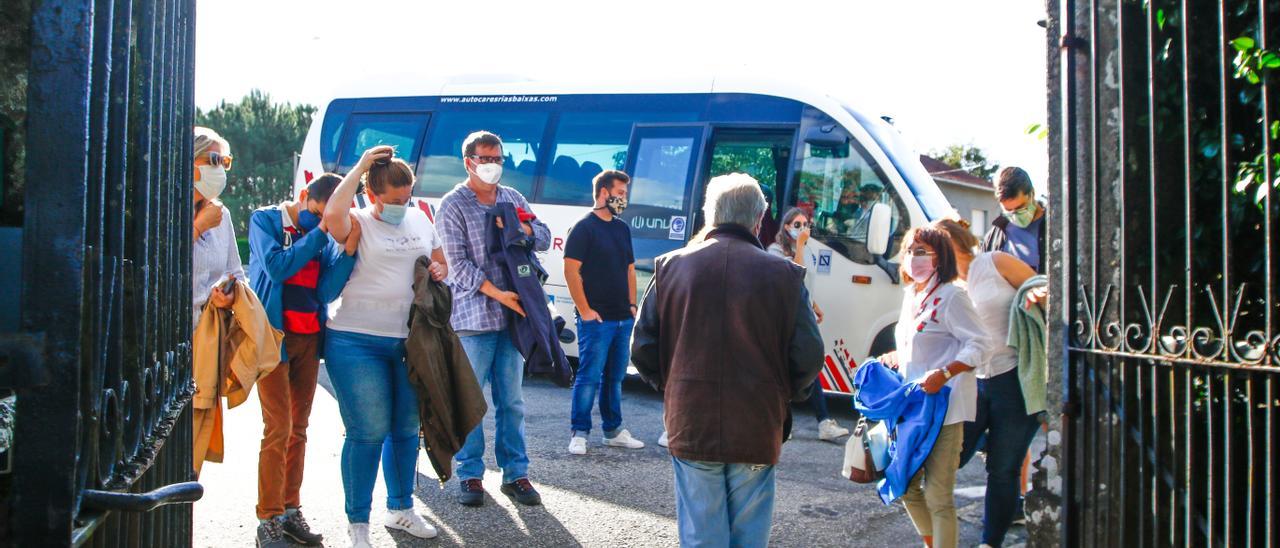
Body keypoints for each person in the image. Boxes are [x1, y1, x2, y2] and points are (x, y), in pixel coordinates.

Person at [632, 173, 824, 548]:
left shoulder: (670, 266)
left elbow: (642, 347)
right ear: (758, 220)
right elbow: (809, 354)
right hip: (757, 420)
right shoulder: (785, 274)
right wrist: (786, 394)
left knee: (702, 534)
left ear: (710, 215)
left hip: (691, 417)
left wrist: (673, 386)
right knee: (749, 536)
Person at [323, 145, 448, 546]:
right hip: (356, 339)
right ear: (372, 194)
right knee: (368, 431)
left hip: (410, 340)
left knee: (405, 429)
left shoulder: (420, 216)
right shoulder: (356, 219)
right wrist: (359, 166)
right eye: (394, 199)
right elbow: (330, 215)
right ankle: (358, 523)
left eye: (407, 196)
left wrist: (440, 268)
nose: (403, 204)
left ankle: (401, 510)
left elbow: (439, 258)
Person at [437, 131, 551, 508]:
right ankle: (470, 475)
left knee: (512, 401)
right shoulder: (453, 205)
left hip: (513, 320)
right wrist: (499, 293)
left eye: (498, 158)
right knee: (472, 400)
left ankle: (515, 473)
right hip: (474, 317)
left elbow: (545, 237)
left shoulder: (512, 197)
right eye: (485, 158)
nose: (493, 165)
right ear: (468, 161)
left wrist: (522, 229)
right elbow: (456, 265)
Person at [246, 173, 357, 547]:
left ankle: (291, 511)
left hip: (309, 338)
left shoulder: (321, 236)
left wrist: (349, 253)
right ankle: (269, 518)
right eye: (319, 213)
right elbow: (277, 267)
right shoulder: (266, 220)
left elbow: (324, 289)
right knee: (277, 428)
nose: (323, 221)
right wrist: (321, 233)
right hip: (274, 340)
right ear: (306, 196)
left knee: (298, 430)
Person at [933, 219, 1045, 548]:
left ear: (955, 242)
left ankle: (990, 541)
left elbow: (1041, 284)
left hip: (1014, 380)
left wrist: (1040, 293)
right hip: (974, 384)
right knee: (951, 455)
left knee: (1004, 469)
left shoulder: (994, 262)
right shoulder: (948, 286)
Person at [878, 225, 990, 548]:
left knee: (939, 496)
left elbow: (982, 345)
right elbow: (916, 344)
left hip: (946, 411)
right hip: (912, 409)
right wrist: (895, 357)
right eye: (910, 251)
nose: (914, 258)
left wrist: (945, 372)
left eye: (922, 252)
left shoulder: (953, 296)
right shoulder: (911, 295)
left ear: (939, 257)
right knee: (905, 485)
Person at [564, 170, 645, 455]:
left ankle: (613, 431)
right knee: (589, 375)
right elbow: (571, 271)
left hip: (622, 318)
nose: (624, 198)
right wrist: (585, 311)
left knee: (615, 377)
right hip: (596, 320)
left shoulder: (621, 228)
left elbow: (630, 269)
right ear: (603, 193)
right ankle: (580, 432)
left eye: (625, 193)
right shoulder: (584, 227)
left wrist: (632, 305)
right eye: (620, 193)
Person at [766, 207, 849, 442]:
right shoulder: (774, 251)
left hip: (800, 317)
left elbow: (804, 286)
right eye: (797, 225)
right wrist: (801, 246)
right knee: (797, 366)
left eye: (806, 225)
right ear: (786, 227)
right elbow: (795, 275)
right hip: (783, 319)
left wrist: (814, 305)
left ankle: (818, 422)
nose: (803, 229)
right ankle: (813, 422)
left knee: (806, 365)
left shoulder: (804, 250)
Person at [191, 126, 243, 326]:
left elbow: (236, 273)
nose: (219, 169)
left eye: (224, 162)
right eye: (213, 160)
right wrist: (198, 227)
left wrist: (230, 297)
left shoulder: (222, 214)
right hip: (170, 334)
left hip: (213, 331)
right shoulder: (166, 212)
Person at [980, 167, 1046, 273]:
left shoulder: (1054, 230)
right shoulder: (995, 235)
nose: (1015, 215)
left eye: (1020, 207)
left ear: (1032, 193)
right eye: (1009, 210)